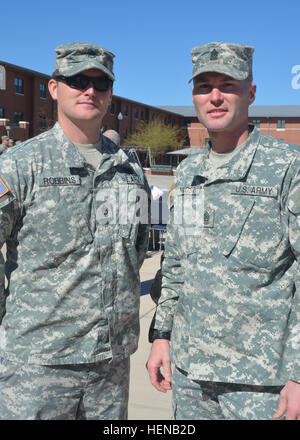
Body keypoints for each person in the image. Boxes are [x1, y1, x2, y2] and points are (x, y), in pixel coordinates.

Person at [147, 42, 300, 420]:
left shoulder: (286, 168)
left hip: (262, 383)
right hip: (190, 375)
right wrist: (162, 335)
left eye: (227, 84)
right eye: (203, 86)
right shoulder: (187, 173)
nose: (215, 96)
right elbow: (176, 263)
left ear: (250, 93)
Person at [0, 41, 150, 420]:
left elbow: (138, 251)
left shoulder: (130, 173)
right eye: (77, 80)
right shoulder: (20, 165)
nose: (90, 91)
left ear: (111, 94)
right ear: (54, 88)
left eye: (101, 84)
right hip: (38, 365)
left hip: (110, 367)